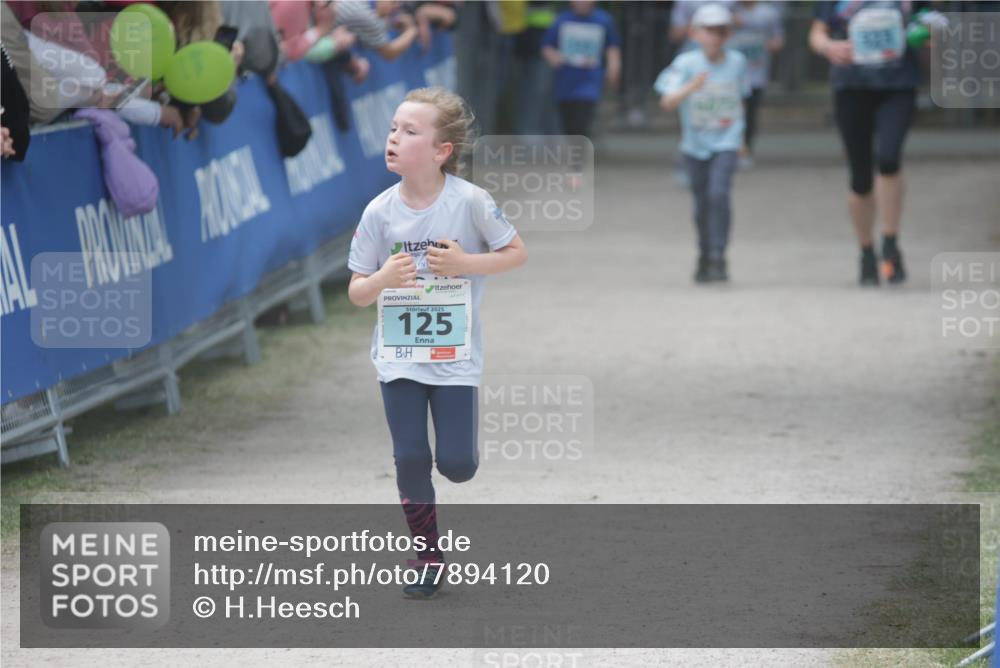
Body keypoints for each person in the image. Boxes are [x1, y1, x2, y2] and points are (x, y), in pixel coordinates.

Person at [346, 87, 527, 599]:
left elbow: (516, 253)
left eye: (409, 131)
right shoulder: (378, 212)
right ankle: (427, 555)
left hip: (455, 359)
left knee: (457, 466)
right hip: (399, 357)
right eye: (392, 129)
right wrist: (382, 278)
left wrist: (466, 264)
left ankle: (459, 449)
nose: (394, 138)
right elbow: (358, 293)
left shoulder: (470, 201)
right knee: (409, 458)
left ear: (442, 150)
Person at [810, 0, 921, 285]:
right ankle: (866, 251)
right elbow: (816, 33)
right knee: (860, 178)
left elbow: (928, 21)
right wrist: (829, 48)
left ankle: (890, 243)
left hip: (897, 85)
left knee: (888, 159)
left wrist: (929, 34)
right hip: (851, 87)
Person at [655, 3, 749, 283]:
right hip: (694, 144)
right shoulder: (685, 64)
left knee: (719, 195)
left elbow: (739, 100)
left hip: (727, 141)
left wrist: (741, 139)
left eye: (722, 31)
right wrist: (691, 87)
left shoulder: (738, 62)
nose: (715, 37)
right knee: (701, 203)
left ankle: (719, 255)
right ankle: (705, 252)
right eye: (710, 31)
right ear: (695, 34)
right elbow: (667, 102)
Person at [541, 0, 621, 140]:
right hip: (565, 79)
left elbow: (612, 47)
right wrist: (554, 57)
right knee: (568, 122)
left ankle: (578, 155)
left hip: (589, 80)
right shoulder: (562, 19)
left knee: (581, 119)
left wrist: (613, 68)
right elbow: (547, 45)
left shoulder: (604, 20)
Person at [730, 0, 784, 167]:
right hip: (731, 75)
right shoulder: (728, 10)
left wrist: (771, 44)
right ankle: (729, 150)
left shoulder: (768, 13)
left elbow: (778, 39)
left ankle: (747, 150)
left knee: (750, 115)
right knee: (731, 112)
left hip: (756, 74)